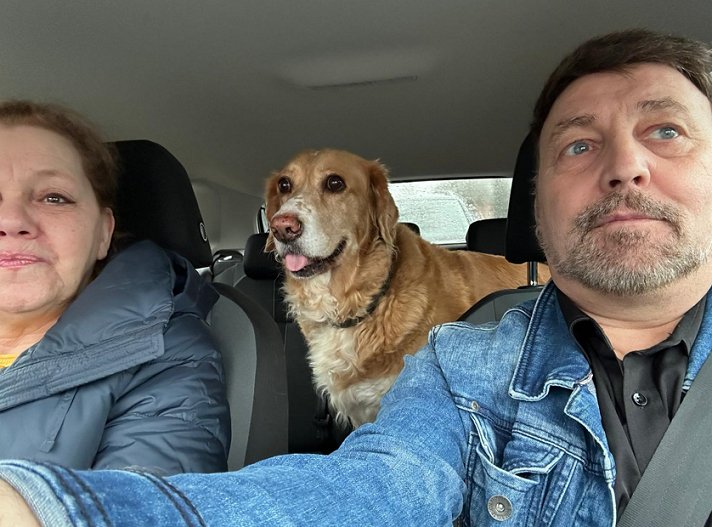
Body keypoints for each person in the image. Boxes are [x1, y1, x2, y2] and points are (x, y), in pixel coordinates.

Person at [0, 27, 711, 526]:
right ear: (539, 203)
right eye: (579, 145)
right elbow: (371, 484)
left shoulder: (453, 333)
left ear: (377, 214)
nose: (626, 166)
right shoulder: (461, 370)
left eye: (666, 131)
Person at [0, 101, 230, 475]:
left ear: (103, 234)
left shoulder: (166, 355)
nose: (11, 221)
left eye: (54, 197)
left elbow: (145, 497)